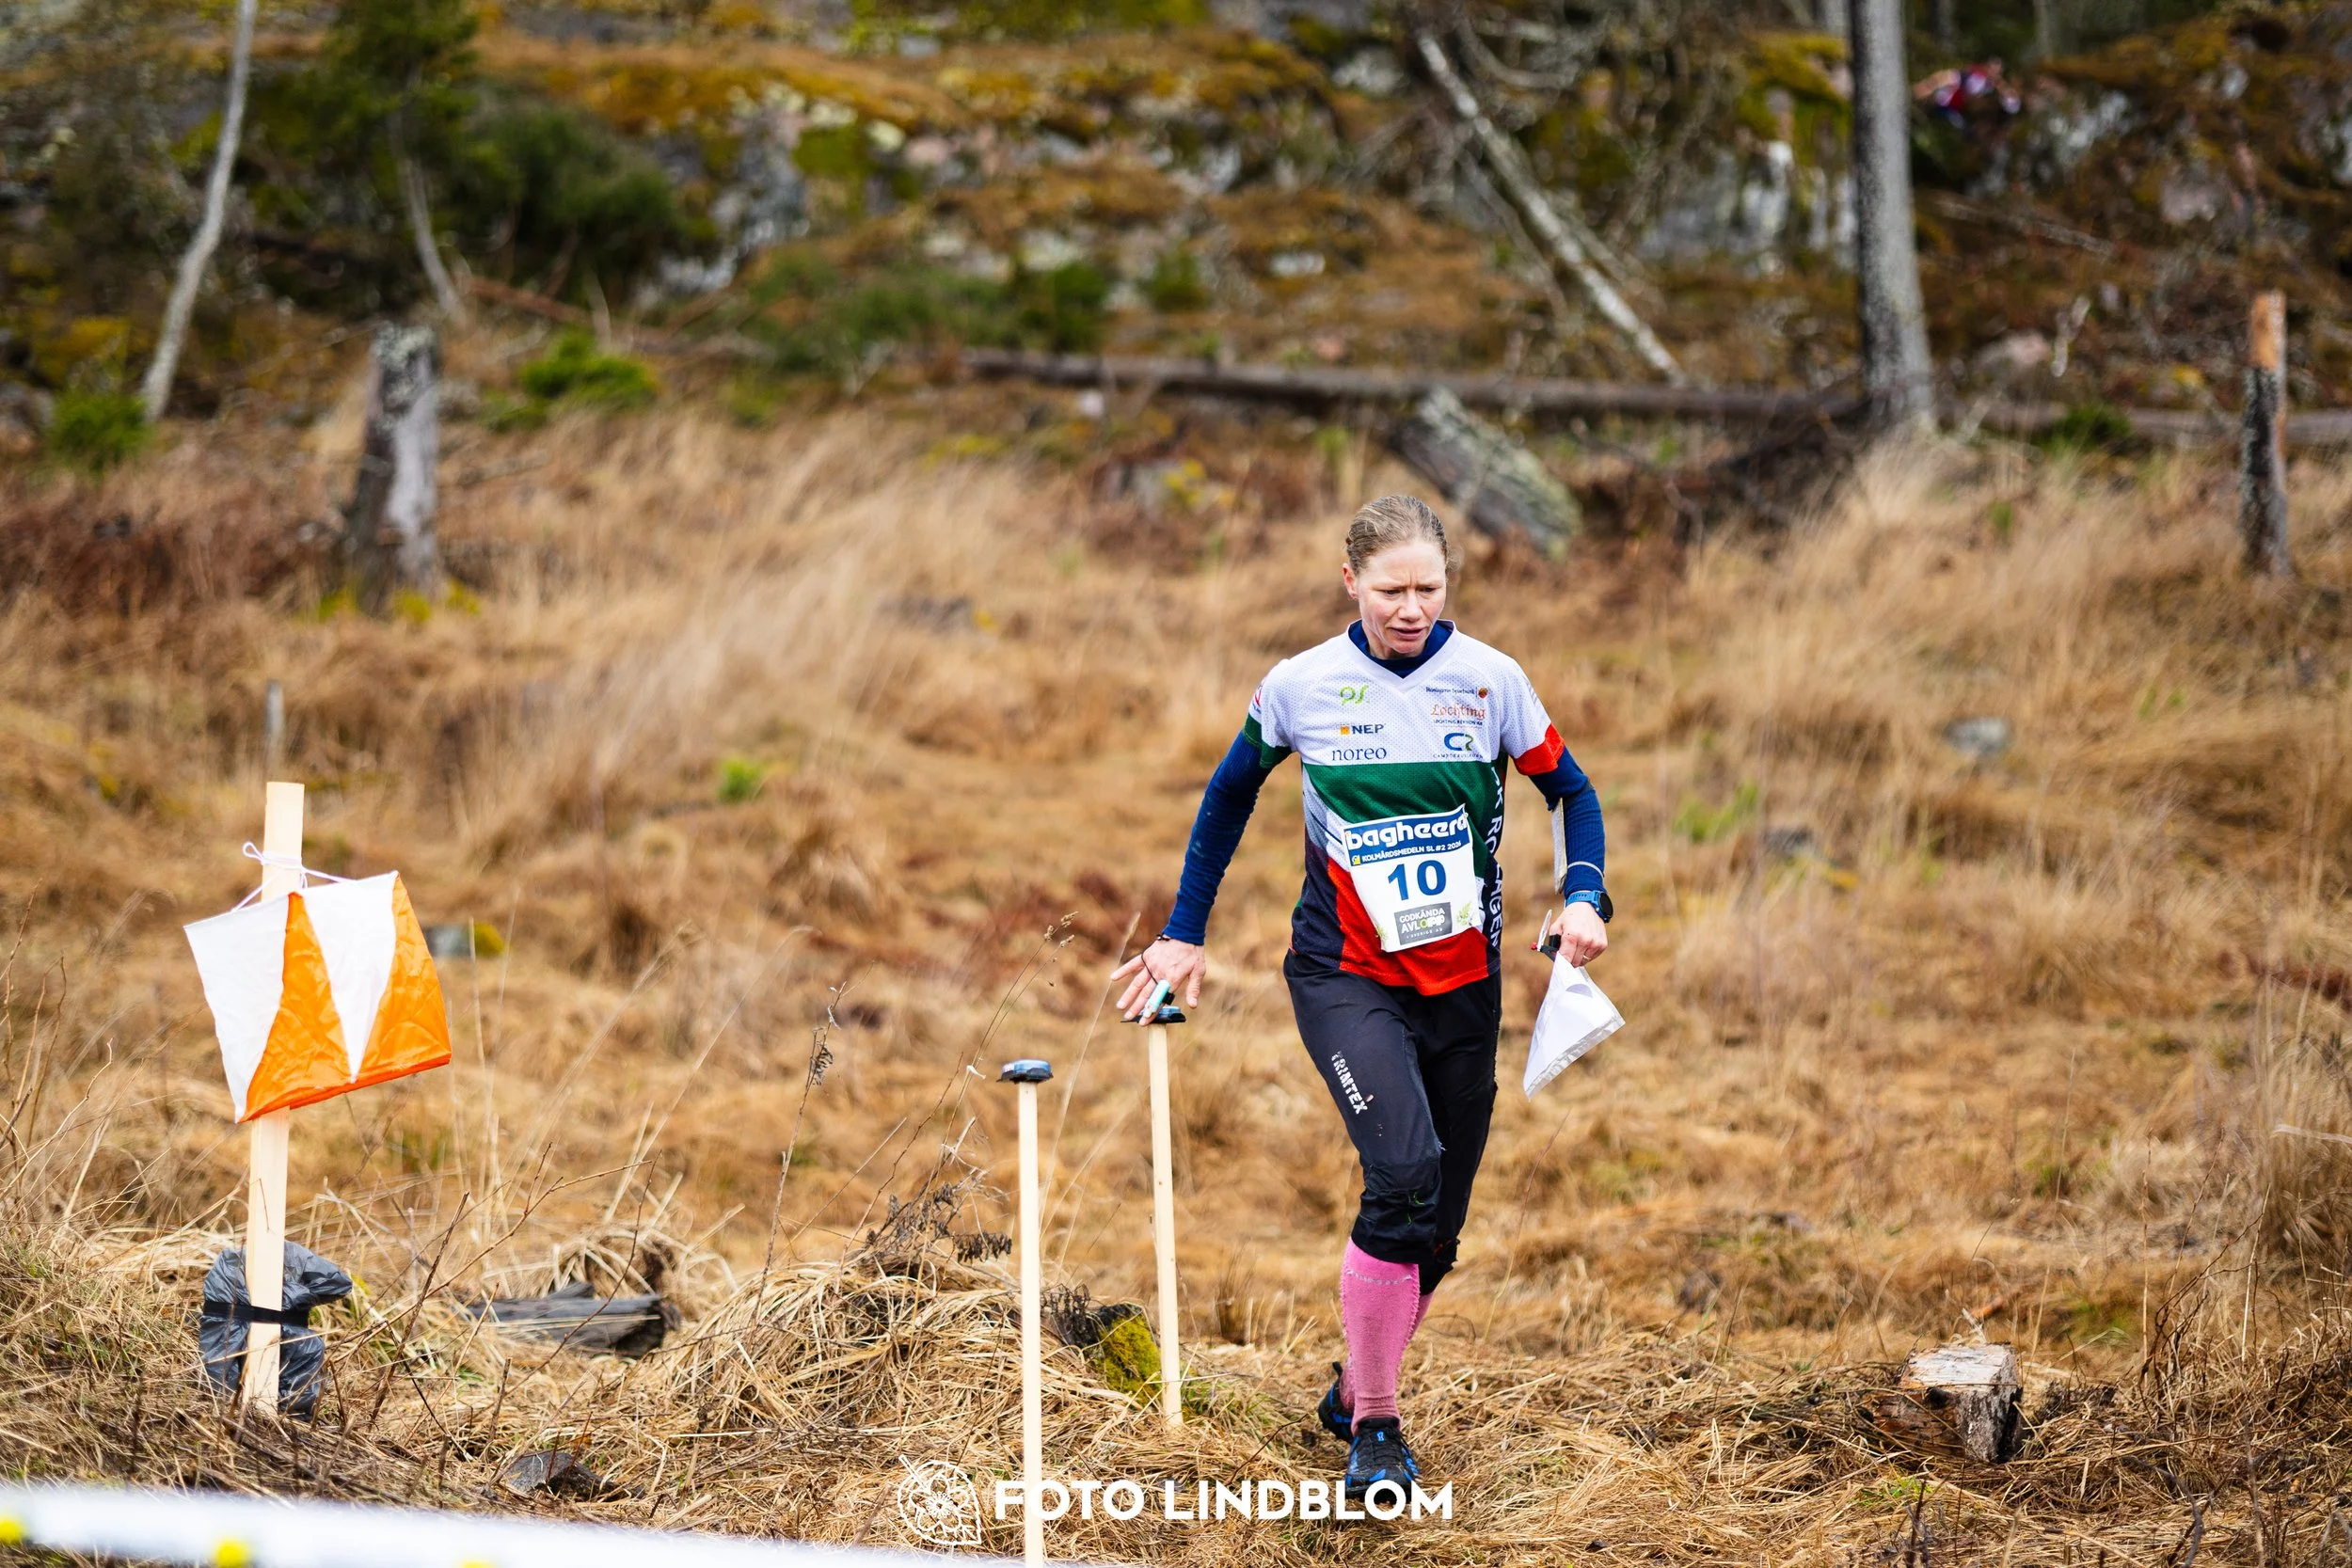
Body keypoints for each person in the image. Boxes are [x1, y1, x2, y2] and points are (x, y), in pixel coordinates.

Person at [1110, 494, 1610, 1503]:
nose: (1412, 608)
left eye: (1430, 587)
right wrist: (1183, 931)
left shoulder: (1492, 680)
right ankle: (1377, 1428)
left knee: (1439, 1228)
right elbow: (1228, 793)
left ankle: (1352, 1386)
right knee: (1405, 1173)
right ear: (1351, 583)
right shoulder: (1302, 685)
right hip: (1344, 974)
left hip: (1462, 982)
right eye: (1391, 590)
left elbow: (1573, 791)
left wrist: (1584, 894)